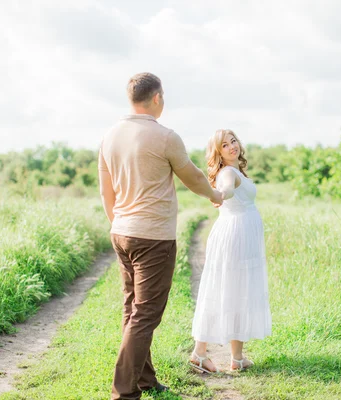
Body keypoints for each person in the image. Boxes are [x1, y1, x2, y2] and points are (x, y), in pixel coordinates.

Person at [98, 72, 223, 400]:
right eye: (163, 97)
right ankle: (123, 393)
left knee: (133, 309)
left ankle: (144, 380)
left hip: (122, 232)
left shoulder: (110, 135)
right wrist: (215, 195)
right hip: (153, 237)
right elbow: (192, 176)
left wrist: (119, 223)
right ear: (157, 98)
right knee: (146, 314)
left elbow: (105, 190)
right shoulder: (165, 136)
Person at [189, 129, 272, 373]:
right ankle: (199, 353)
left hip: (242, 237)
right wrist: (220, 194)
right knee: (223, 289)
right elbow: (226, 189)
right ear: (218, 153)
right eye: (225, 145)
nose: (232, 146)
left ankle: (237, 358)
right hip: (234, 236)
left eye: (233, 141)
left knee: (240, 292)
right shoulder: (227, 173)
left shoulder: (237, 171)